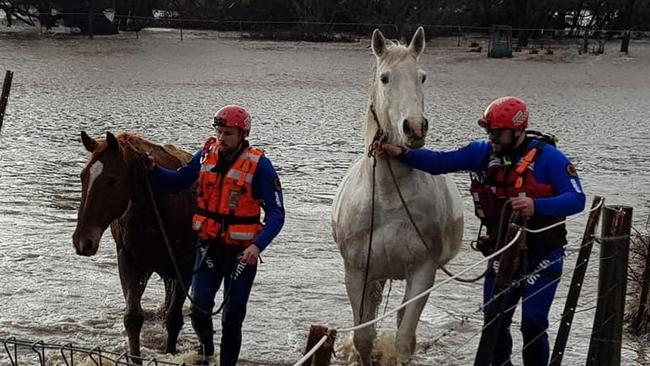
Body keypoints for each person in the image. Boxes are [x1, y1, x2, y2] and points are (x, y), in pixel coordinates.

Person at [374, 96, 585, 366]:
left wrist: (537, 205)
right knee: (494, 321)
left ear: (518, 131)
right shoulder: (482, 153)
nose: (491, 137)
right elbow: (441, 162)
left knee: (532, 322)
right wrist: (403, 153)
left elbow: (577, 199)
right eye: (488, 131)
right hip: (501, 251)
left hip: (542, 253)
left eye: (497, 132)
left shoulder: (550, 159)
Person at [148, 105, 285, 365]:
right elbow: (178, 180)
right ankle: (207, 349)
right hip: (209, 246)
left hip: (242, 254)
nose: (221, 138)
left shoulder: (260, 166)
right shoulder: (205, 156)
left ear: (242, 134)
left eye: (228, 134)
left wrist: (257, 246)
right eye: (219, 132)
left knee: (232, 316)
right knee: (199, 307)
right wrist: (153, 170)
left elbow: (277, 214)